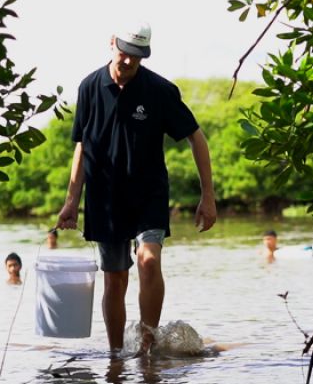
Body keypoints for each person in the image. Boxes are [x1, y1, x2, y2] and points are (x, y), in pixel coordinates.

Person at [56, 19, 217, 356]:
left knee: (148, 261)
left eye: (137, 56)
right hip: (105, 199)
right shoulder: (89, 88)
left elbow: (196, 138)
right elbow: (82, 147)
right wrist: (72, 200)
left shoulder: (159, 90)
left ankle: (147, 344)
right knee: (114, 278)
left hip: (149, 194)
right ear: (112, 43)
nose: (128, 62)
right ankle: (116, 354)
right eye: (124, 53)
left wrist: (208, 196)